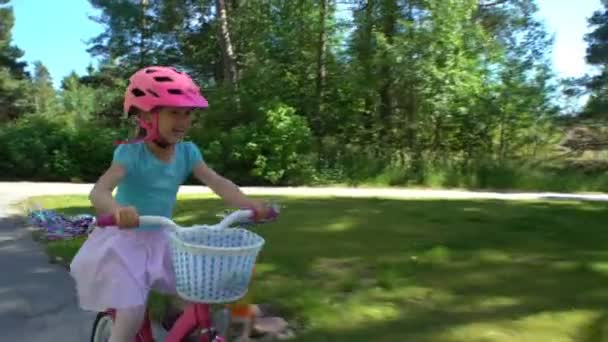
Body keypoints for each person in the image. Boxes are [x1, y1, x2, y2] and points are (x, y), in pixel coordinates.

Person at [70, 66, 271, 342]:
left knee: (198, 291)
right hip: (125, 242)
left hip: (163, 238)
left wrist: (250, 204)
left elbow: (217, 182)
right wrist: (117, 210)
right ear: (146, 116)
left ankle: (176, 320)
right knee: (132, 313)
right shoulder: (130, 154)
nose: (183, 121)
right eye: (173, 112)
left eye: (188, 113)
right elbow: (99, 192)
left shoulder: (188, 152)